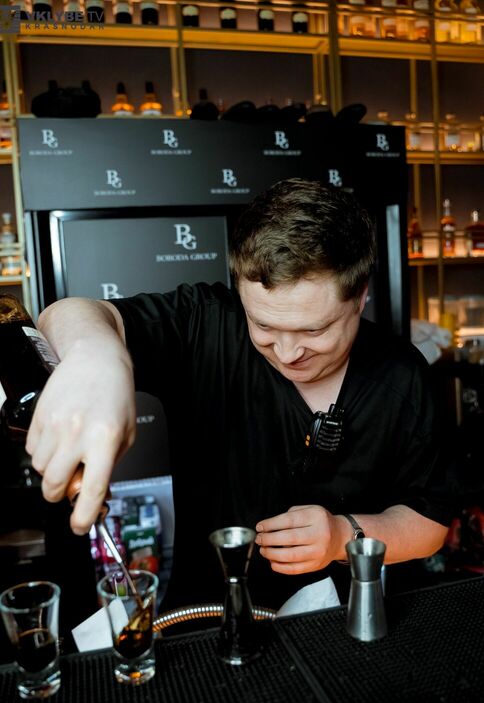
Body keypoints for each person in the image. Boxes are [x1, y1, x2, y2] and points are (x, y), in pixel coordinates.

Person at [26, 178, 453, 611]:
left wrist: (345, 535)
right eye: (264, 325)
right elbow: (67, 314)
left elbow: (430, 522)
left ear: (360, 297)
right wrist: (97, 356)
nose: (287, 353)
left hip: (345, 621)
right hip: (209, 614)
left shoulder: (402, 375)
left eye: (314, 330)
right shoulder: (205, 325)